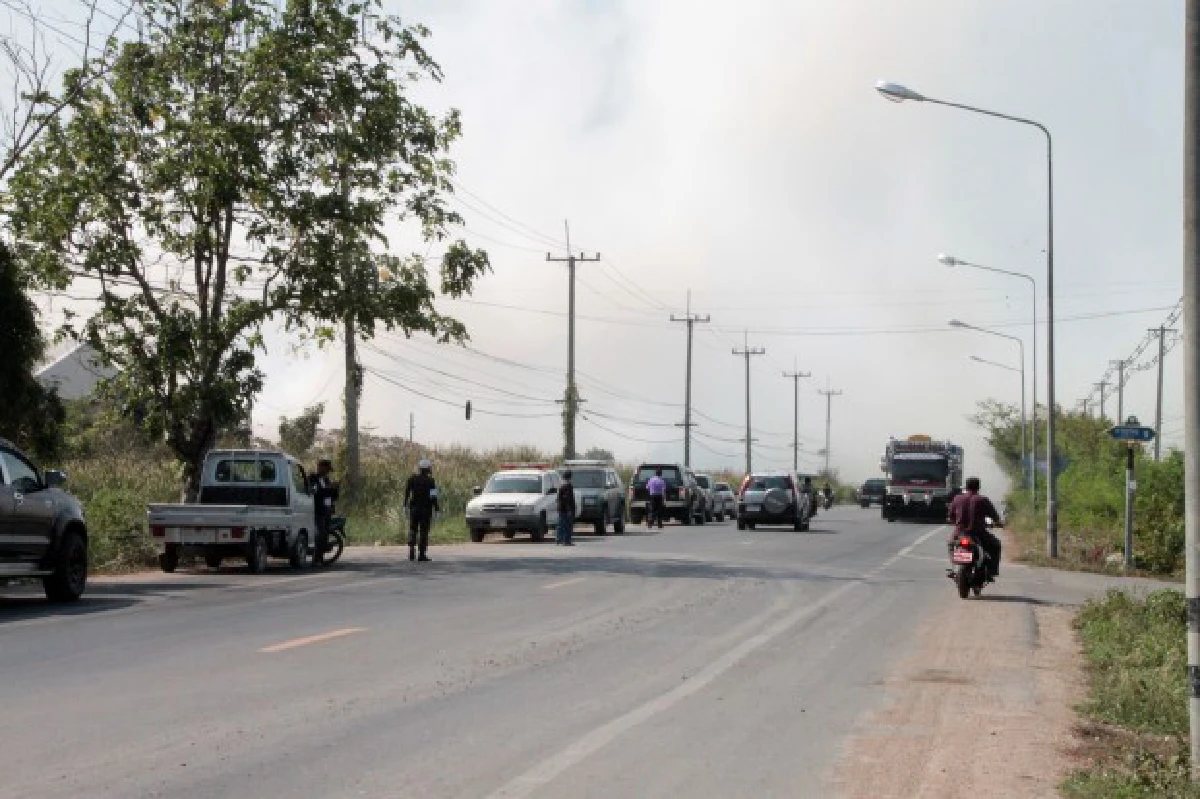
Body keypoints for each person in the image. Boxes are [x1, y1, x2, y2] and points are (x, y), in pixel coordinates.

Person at [947, 476, 1003, 578]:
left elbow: (951, 516)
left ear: (966, 486)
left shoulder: (957, 498)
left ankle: (953, 567)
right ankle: (992, 570)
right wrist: (999, 523)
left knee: (951, 544)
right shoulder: (982, 499)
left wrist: (955, 521)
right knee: (996, 545)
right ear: (978, 487)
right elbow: (994, 516)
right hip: (979, 533)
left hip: (960, 533)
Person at [404, 458, 440, 562]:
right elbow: (433, 497)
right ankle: (421, 554)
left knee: (412, 529)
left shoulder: (412, 479)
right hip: (425, 510)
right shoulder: (430, 481)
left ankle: (411, 549)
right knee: (424, 531)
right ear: (428, 469)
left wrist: (404, 505)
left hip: (414, 509)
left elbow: (407, 493)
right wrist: (437, 509)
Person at [308, 459, 339, 566]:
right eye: (326, 469)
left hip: (327, 511)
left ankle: (320, 557)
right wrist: (330, 489)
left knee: (325, 534)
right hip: (318, 511)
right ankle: (316, 558)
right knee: (320, 534)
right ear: (321, 467)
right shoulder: (313, 479)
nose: (327, 472)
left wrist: (335, 488)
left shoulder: (326, 480)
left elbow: (333, 496)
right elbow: (317, 493)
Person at [556, 471, 577, 546]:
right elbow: (567, 498)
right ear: (569, 477)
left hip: (561, 508)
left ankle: (559, 540)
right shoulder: (567, 485)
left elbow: (559, 498)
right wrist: (569, 509)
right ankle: (566, 541)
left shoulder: (560, 485)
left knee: (561, 524)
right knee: (567, 525)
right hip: (566, 509)